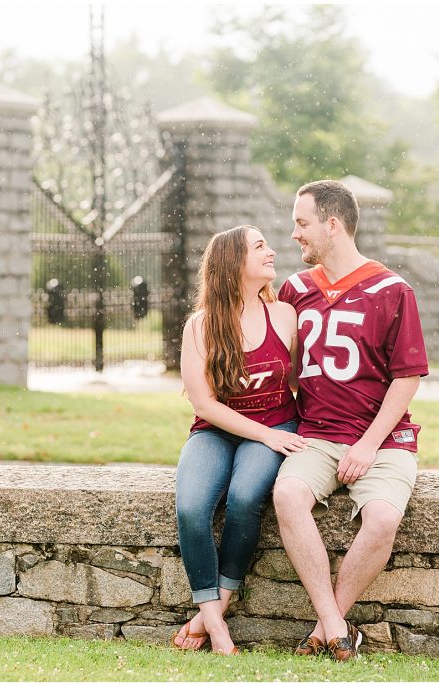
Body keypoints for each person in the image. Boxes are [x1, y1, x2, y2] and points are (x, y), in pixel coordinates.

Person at [273, 180, 428, 661]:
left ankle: (326, 629)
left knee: (382, 520)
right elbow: (285, 364)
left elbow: (407, 378)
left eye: (303, 223)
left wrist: (366, 445)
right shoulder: (295, 289)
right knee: (287, 495)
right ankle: (338, 627)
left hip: (382, 441)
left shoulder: (391, 290)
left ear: (333, 225)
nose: (295, 233)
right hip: (317, 437)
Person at [173, 224, 306, 656]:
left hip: (275, 429)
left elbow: (305, 386)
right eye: (260, 246)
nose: (272, 252)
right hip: (216, 432)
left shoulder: (285, 315)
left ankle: (215, 610)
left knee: (247, 497)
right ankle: (218, 627)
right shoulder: (201, 327)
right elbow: (206, 405)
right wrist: (265, 433)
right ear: (233, 263)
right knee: (193, 509)